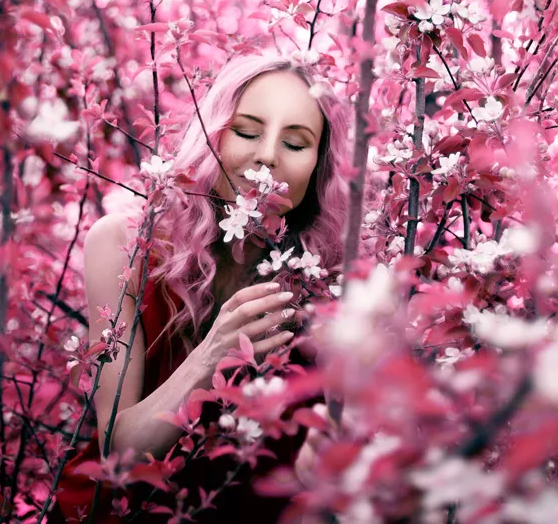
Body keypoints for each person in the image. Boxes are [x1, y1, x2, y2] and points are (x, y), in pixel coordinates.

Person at [54, 53, 351, 523]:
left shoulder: (331, 285)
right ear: (212, 138)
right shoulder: (125, 247)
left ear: (318, 168)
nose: (267, 155)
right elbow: (120, 451)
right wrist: (213, 353)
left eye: (296, 143)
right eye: (248, 132)